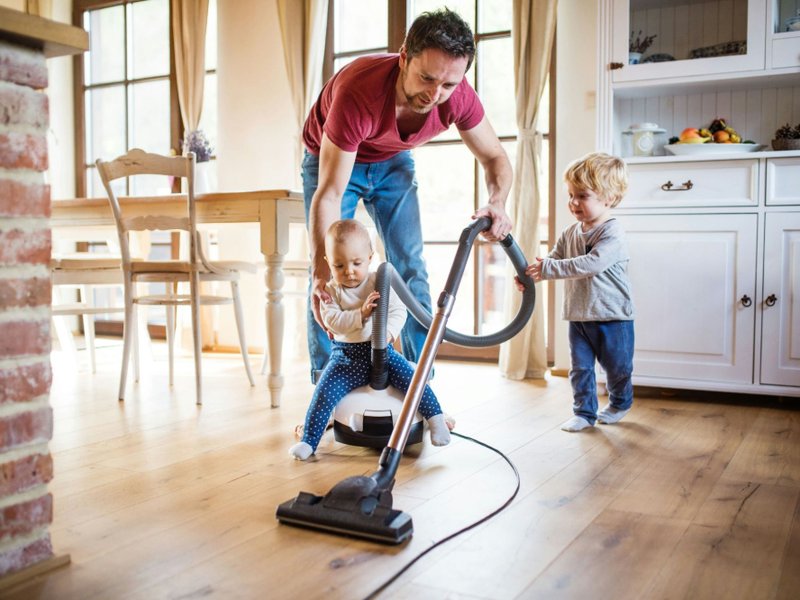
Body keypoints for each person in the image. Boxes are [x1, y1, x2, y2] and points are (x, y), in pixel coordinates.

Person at [302, 7, 513, 383]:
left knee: (411, 267)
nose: (435, 95)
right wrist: (320, 272)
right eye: (426, 78)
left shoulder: (458, 95)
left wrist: (497, 203)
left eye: (448, 85)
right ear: (404, 58)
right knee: (328, 275)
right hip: (332, 160)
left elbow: (495, 156)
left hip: (392, 160)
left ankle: (419, 386)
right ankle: (327, 386)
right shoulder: (359, 91)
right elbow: (330, 193)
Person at [289, 219, 452, 460]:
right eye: (339, 265)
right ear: (328, 263)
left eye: (356, 263)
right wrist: (361, 314)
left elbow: (398, 311)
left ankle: (436, 420)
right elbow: (332, 321)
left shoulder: (380, 281)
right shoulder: (330, 291)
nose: (349, 271)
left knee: (413, 379)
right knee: (323, 393)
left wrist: (388, 333)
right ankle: (309, 441)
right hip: (345, 358)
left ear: (370, 257)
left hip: (382, 354)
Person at [516, 152, 635, 432]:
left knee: (617, 369)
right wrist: (533, 275)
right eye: (571, 195)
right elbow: (555, 260)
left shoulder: (612, 233)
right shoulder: (570, 232)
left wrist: (548, 269)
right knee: (580, 369)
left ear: (609, 198)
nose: (573, 202)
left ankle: (620, 403)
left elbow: (593, 263)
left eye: (582, 196)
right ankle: (584, 412)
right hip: (579, 316)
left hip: (612, 316)